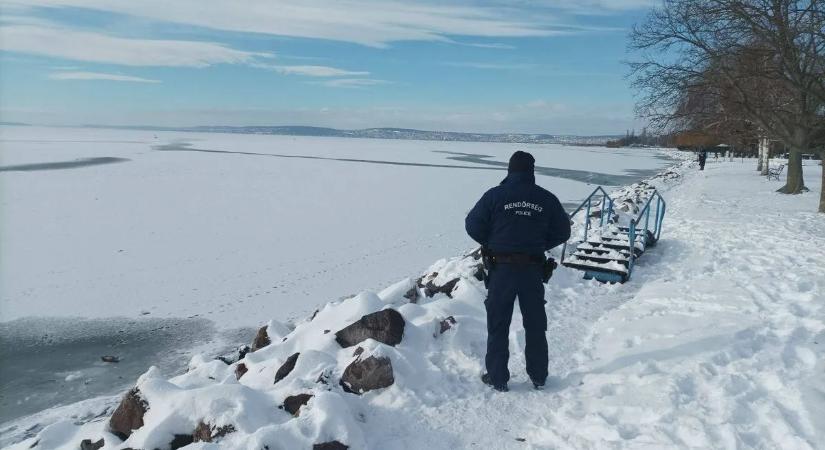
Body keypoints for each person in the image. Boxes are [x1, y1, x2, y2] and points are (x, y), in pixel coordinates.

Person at [465, 151, 571, 392]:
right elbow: (563, 232)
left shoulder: (494, 196)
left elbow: (472, 225)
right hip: (532, 269)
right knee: (535, 324)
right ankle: (539, 376)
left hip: (501, 269)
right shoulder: (546, 198)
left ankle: (498, 377)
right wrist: (540, 244)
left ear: (509, 170)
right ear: (531, 171)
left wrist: (492, 241)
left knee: (498, 324)